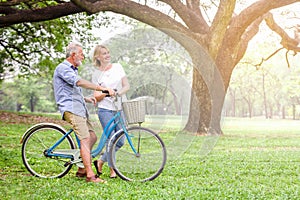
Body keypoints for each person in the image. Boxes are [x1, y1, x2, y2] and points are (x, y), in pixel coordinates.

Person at [53, 42, 115, 183]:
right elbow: (79, 83)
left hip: (79, 109)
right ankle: (90, 175)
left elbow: (71, 91)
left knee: (92, 137)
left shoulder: (73, 69)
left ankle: (81, 167)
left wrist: (85, 98)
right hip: (71, 110)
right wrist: (102, 89)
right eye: (81, 54)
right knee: (85, 139)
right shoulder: (63, 68)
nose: (82, 56)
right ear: (73, 55)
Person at [91, 44, 130, 178]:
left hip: (119, 108)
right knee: (111, 139)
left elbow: (126, 85)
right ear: (98, 57)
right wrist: (107, 93)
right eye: (104, 53)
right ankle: (112, 169)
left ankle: (101, 161)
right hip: (105, 110)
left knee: (120, 140)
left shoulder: (118, 67)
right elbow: (96, 95)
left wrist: (118, 93)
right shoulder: (97, 74)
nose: (107, 55)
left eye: (108, 52)